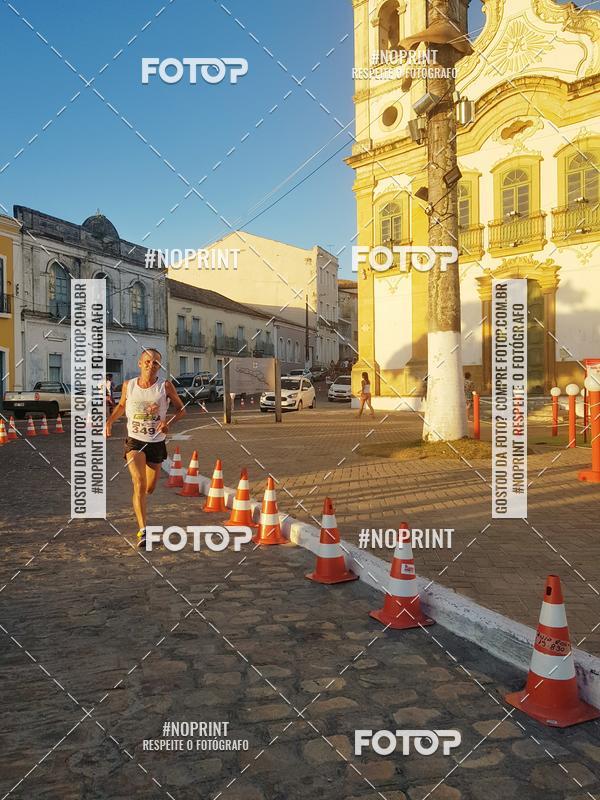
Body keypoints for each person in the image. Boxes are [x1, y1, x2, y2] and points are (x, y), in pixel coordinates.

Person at [105, 349, 186, 547]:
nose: (151, 365)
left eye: (156, 363)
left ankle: (143, 503)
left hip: (156, 442)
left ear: (159, 366)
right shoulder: (129, 385)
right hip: (135, 440)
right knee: (139, 483)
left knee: (150, 488)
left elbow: (181, 410)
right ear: (140, 363)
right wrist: (109, 421)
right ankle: (144, 531)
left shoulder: (164, 386)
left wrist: (169, 422)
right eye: (148, 361)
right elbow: (122, 405)